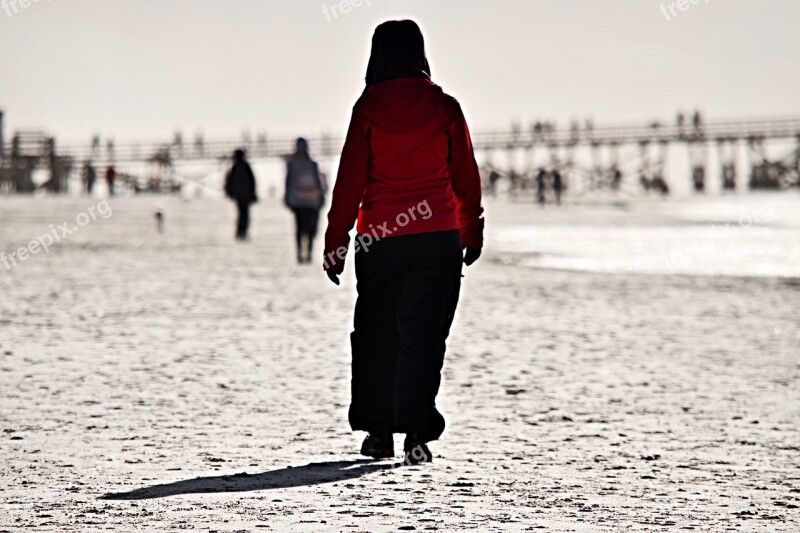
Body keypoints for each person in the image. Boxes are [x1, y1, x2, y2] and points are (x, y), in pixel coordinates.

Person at [323, 20, 484, 465]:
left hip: (380, 241)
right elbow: (466, 179)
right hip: (437, 238)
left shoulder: (368, 109)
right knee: (423, 335)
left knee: (377, 332)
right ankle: (416, 431)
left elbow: (349, 183)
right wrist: (472, 230)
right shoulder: (445, 107)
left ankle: (378, 434)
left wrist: (336, 242)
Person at [284, 138, 326, 263]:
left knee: (299, 228)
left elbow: (288, 182)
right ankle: (308, 253)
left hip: (298, 201)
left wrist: (288, 198)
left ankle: (299, 254)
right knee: (310, 228)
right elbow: (319, 183)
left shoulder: (292, 164)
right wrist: (321, 198)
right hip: (312, 201)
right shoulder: (313, 163)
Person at [224, 149, 257, 240]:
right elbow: (252, 181)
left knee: (240, 214)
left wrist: (229, 192)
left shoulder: (234, 167)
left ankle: (240, 232)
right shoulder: (246, 166)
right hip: (245, 195)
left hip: (238, 195)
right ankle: (243, 232)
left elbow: (229, 181)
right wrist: (253, 193)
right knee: (245, 214)